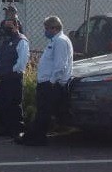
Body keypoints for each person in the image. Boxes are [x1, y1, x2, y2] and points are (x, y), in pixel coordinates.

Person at [18, 16, 73, 146]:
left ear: (54, 28)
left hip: (51, 84)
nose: (45, 31)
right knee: (42, 111)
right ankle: (32, 136)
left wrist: (52, 82)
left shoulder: (60, 41)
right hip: (47, 83)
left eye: (47, 28)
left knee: (44, 112)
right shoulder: (54, 41)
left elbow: (60, 65)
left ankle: (39, 139)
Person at [0, 18, 29, 138]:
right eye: (5, 27)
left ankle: (17, 129)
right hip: (2, 78)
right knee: (2, 103)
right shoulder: (6, 41)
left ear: (16, 26)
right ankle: (4, 128)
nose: (7, 29)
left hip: (13, 78)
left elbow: (21, 62)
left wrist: (10, 72)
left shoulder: (21, 41)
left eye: (10, 27)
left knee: (14, 104)